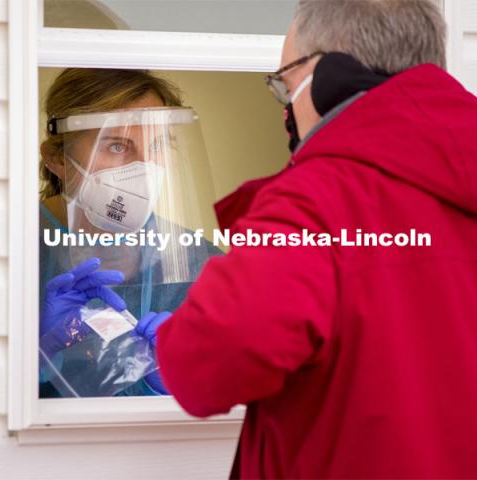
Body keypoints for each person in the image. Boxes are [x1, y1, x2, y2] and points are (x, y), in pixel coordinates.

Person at [153, 1, 477, 478]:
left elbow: (203, 367)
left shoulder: (314, 202)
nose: (288, 111)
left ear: (324, 76)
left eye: (285, 84)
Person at [39, 68, 218, 397]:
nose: (145, 168)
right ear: (56, 158)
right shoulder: (12, 248)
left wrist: (179, 386)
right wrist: (31, 357)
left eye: (159, 144)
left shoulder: (203, 263)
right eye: (118, 147)